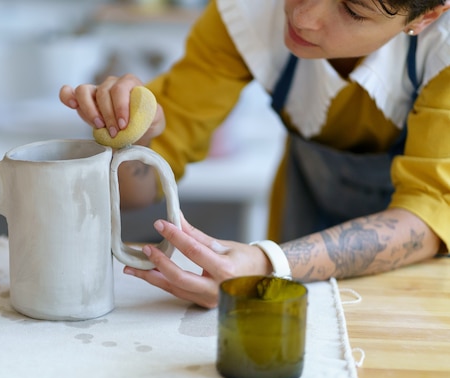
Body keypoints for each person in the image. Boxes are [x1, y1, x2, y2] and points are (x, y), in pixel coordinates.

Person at [60, 0, 450, 309]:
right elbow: (134, 195)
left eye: (353, 9)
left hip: (420, 279)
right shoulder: (244, 12)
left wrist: (268, 265)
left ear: (426, 16)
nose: (303, 15)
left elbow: (431, 213)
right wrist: (133, 137)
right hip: (301, 218)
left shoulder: (443, 48)